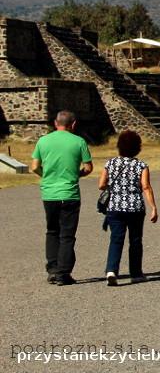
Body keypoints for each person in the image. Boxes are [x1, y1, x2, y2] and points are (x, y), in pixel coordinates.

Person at [30, 110, 92, 286]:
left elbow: (34, 167)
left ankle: (52, 268)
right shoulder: (79, 141)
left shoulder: (43, 141)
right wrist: (75, 175)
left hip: (49, 193)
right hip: (69, 193)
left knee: (52, 231)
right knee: (67, 234)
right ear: (73, 125)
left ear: (56, 123)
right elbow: (88, 168)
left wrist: (46, 176)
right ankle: (63, 273)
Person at [99, 130, 158, 285]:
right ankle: (136, 273)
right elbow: (146, 187)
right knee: (135, 240)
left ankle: (111, 270)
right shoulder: (141, 165)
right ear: (137, 147)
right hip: (135, 208)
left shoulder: (110, 163)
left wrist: (115, 187)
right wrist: (153, 207)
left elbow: (101, 184)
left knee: (116, 239)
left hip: (115, 206)